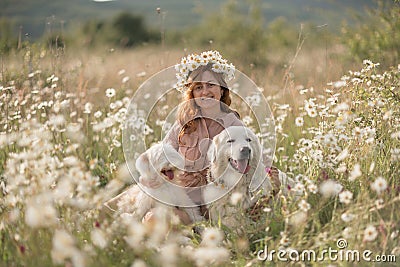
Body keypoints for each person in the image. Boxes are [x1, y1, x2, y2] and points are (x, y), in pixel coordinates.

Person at [104, 50, 281, 225]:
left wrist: (270, 189)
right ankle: (91, 219)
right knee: (123, 200)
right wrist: (149, 175)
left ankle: (136, 234)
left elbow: (260, 164)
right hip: (174, 194)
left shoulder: (233, 126)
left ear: (221, 89)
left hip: (204, 208)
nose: (205, 92)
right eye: (198, 87)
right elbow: (161, 155)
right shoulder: (185, 124)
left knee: (154, 218)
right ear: (193, 94)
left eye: (211, 85)